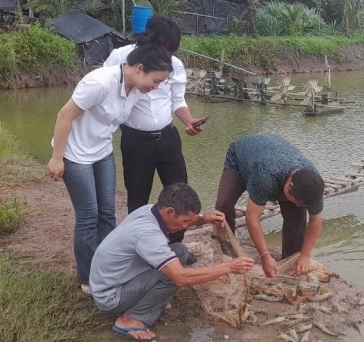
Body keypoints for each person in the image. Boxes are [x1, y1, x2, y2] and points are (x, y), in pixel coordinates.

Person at [47, 34, 174, 294]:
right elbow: (64, 116)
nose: (156, 86)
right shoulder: (99, 82)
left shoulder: (135, 90)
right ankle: (88, 277)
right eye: (155, 80)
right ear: (139, 68)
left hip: (102, 152)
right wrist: (57, 158)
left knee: (107, 213)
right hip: (76, 154)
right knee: (88, 216)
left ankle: (111, 269)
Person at [90, 183, 254, 342]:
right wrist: (229, 267)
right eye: (184, 221)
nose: (185, 226)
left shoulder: (149, 210)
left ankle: (151, 301)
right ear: (169, 212)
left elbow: (182, 222)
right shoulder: (148, 234)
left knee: (179, 251)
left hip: (110, 282)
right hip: (111, 297)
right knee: (173, 275)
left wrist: (204, 218)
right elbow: (181, 278)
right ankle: (130, 319)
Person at [104, 17, 206, 243]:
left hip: (167, 139)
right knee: (137, 197)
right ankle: (137, 245)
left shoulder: (175, 66)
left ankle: (176, 246)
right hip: (135, 142)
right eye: (164, 49)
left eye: (172, 51)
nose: (168, 56)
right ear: (148, 41)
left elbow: (177, 101)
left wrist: (188, 120)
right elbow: (106, 93)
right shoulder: (122, 58)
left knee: (181, 196)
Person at [215, 134, 325, 278]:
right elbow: (252, 217)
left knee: (297, 215)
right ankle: (228, 252)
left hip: (272, 155)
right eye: (296, 200)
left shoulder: (313, 184)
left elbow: (316, 219)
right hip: (240, 159)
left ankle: (290, 262)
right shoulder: (266, 176)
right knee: (223, 204)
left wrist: (305, 255)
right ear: (290, 185)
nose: (298, 204)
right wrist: (265, 256)